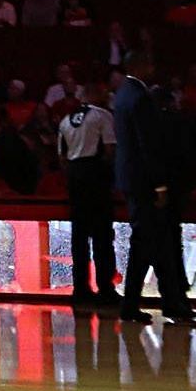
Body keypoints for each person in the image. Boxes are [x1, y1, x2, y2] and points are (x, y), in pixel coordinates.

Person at [114, 58, 196, 326]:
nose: (152, 69)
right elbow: (147, 146)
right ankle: (134, 304)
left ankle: (170, 302)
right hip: (144, 182)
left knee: (156, 241)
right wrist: (160, 185)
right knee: (146, 242)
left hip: (133, 180)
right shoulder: (140, 98)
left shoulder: (123, 95)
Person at [57, 85, 120, 311]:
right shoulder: (103, 115)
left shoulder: (65, 120)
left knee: (79, 237)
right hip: (96, 174)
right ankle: (105, 289)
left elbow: (62, 158)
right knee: (103, 236)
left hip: (75, 176)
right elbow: (110, 150)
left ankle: (81, 289)